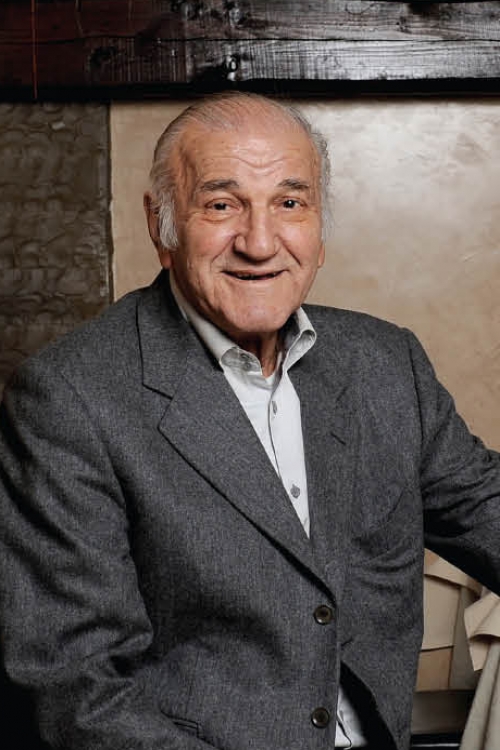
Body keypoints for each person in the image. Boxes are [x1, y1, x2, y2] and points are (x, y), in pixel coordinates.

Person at [0, 92, 499, 750]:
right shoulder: (69, 398)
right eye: (221, 205)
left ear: (318, 229)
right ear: (161, 226)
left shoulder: (386, 362)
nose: (260, 243)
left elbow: (486, 509)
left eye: (289, 203)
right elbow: (77, 689)